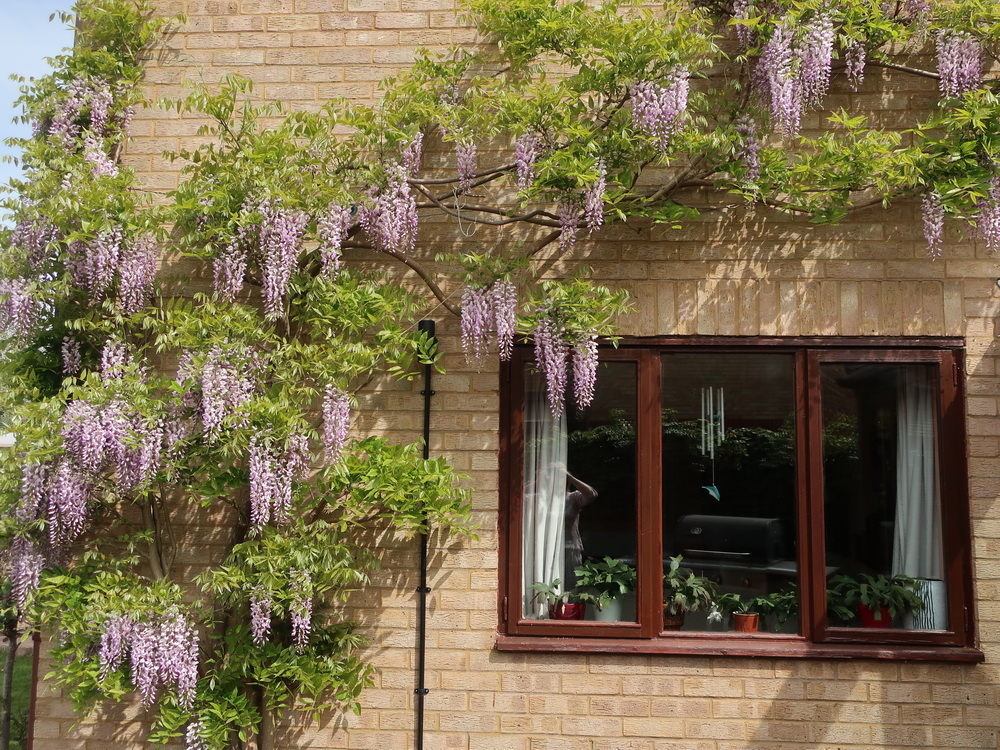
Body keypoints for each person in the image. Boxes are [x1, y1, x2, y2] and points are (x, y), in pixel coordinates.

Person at [558, 463, 598, 589]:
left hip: (569, 547)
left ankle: (571, 609)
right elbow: (521, 495)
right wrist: (538, 478)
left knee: (571, 586)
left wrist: (569, 476)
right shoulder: (541, 498)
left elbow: (591, 494)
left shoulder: (573, 497)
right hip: (546, 548)